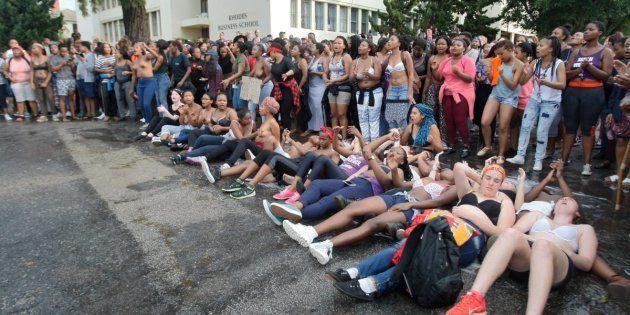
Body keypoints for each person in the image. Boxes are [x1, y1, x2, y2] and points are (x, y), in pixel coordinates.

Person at [327, 162, 515, 300]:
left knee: (423, 252)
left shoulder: (504, 202)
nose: (490, 183)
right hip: (445, 224)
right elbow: (459, 166)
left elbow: (501, 234)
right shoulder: (470, 192)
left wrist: (474, 215)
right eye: (488, 178)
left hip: (472, 236)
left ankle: (374, 284)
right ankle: (355, 271)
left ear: (502, 184)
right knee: (405, 244)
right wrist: (482, 177)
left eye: (496, 181)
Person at [447, 171, 597, 315]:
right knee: (510, 233)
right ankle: (474, 299)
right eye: (561, 199)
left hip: (558, 264)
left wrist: (563, 249)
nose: (564, 199)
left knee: (542, 246)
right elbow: (516, 231)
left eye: (570, 200)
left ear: (577, 213)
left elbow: (586, 263)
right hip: (528, 260)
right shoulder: (537, 215)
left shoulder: (583, 229)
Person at [562, 21, 614, 176]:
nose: (586, 32)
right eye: (585, 29)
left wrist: (589, 67)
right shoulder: (576, 52)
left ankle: (586, 164)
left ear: (600, 33)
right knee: (570, 127)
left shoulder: (605, 52)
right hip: (573, 91)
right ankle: (563, 160)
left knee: (588, 128)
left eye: (591, 29)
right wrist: (579, 69)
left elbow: (606, 76)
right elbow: (566, 72)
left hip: (593, 93)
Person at [507, 37, 566, 171]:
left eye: (541, 45)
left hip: (550, 102)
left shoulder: (559, 64)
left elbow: (562, 84)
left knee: (542, 130)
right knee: (526, 126)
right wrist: (524, 72)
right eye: (538, 45)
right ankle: (520, 155)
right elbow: (522, 82)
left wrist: (547, 83)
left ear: (550, 49)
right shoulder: (535, 62)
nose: (538, 48)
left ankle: (538, 159)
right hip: (534, 99)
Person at [478, 40, 524, 164]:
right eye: (497, 54)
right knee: (484, 122)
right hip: (495, 94)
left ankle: (501, 154)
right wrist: (489, 75)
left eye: (501, 53)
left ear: (511, 50)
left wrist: (502, 74)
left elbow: (513, 86)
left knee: (503, 127)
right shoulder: (497, 61)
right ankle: (488, 146)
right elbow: (493, 80)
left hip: (509, 97)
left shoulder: (519, 65)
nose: (499, 56)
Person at [433, 38, 476, 158]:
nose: (454, 47)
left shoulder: (468, 61)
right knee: (448, 120)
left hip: (462, 93)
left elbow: (470, 79)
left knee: (460, 120)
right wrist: (435, 69)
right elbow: (439, 77)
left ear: (464, 48)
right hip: (447, 93)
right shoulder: (447, 61)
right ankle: (451, 145)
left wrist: (459, 73)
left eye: (458, 45)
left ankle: (466, 146)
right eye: (453, 45)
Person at [350, 40, 383, 142]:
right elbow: (350, 80)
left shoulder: (374, 60)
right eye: (359, 45)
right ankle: (365, 142)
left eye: (363, 45)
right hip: (360, 93)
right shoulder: (355, 62)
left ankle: (374, 143)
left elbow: (378, 77)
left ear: (369, 49)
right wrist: (354, 74)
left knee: (373, 119)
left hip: (374, 93)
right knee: (362, 118)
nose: (360, 47)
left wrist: (369, 75)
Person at [509, 42, 536, 156]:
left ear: (525, 54)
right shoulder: (513, 64)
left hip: (526, 98)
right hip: (513, 97)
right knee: (513, 124)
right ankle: (513, 147)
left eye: (516, 52)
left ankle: (522, 149)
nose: (514, 55)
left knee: (525, 126)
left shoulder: (530, 66)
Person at [423, 36, 451, 146]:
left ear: (448, 46)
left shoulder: (450, 58)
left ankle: (443, 140)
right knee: (430, 114)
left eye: (443, 44)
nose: (440, 46)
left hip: (445, 89)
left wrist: (435, 69)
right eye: (438, 44)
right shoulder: (432, 58)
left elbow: (441, 77)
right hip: (432, 88)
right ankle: (430, 138)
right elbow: (429, 77)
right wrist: (424, 92)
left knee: (443, 115)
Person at [324, 36, 353, 138]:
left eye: (339, 43)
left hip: (344, 87)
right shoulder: (331, 57)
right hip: (332, 87)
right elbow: (326, 72)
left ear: (344, 46)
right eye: (335, 43)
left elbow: (349, 75)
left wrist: (334, 81)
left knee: (341, 114)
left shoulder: (346, 57)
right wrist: (325, 79)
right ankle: (334, 138)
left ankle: (344, 138)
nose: (336, 45)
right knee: (333, 114)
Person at [3, 46, 42, 122]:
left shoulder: (27, 59)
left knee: (31, 99)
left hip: (28, 82)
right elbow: (5, 71)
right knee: (19, 100)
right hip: (16, 83)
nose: (16, 52)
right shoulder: (10, 60)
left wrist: (32, 80)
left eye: (18, 50)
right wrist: (10, 78)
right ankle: (21, 116)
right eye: (14, 51)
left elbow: (32, 69)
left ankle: (36, 114)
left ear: (21, 51)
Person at [385, 35, 416, 130]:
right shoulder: (389, 56)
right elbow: (389, 75)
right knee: (391, 117)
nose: (389, 42)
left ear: (399, 43)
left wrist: (410, 92)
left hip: (404, 88)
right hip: (392, 89)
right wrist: (388, 89)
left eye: (392, 40)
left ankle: (403, 142)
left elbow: (411, 75)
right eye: (388, 40)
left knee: (402, 118)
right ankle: (394, 141)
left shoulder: (405, 54)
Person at [268, 42, 299, 130]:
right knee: (273, 109)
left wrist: (286, 74)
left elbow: (294, 69)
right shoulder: (274, 61)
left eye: (269, 52)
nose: (269, 55)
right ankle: (274, 130)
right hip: (277, 87)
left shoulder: (286, 60)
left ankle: (286, 135)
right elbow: (272, 74)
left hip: (287, 89)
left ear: (274, 51)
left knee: (285, 112)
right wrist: (263, 82)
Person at [131, 42, 157, 124]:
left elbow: (156, 56)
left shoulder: (146, 57)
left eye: (136, 47)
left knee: (146, 104)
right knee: (141, 104)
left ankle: (149, 122)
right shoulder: (135, 61)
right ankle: (147, 121)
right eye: (134, 48)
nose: (134, 49)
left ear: (141, 49)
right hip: (140, 83)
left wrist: (146, 47)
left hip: (149, 81)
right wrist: (132, 89)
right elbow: (134, 76)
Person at [50, 45, 78, 121]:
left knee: (71, 98)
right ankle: (64, 117)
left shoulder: (70, 57)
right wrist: (62, 64)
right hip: (61, 79)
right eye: (62, 51)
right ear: (59, 50)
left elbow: (74, 71)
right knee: (62, 99)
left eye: (65, 51)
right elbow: (52, 69)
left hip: (71, 79)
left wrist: (72, 65)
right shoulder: (54, 58)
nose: (64, 53)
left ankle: (73, 115)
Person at [30, 43, 57, 121]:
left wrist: (46, 82)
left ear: (40, 49)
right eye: (32, 48)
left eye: (34, 48)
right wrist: (31, 82)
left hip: (46, 80)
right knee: (40, 98)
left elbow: (50, 71)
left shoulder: (47, 58)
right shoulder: (32, 59)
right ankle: (43, 114)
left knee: (50, 97)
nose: (33, 50)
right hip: (36, 80)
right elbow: (31, 71)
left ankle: (54, 113)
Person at [247, 43, 273, 122]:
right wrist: (245, 79)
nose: (252, 51)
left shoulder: (265, 62)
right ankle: (251, 126)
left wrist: (262, 83)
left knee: (263, 108)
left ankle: (264, 129)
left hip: (265, 86)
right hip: (255, 85)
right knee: (251, 108)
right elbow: (253, 73)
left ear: (260, 52)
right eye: (252, 49)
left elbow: (270, 75)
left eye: (255, 50)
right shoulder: (255, 61)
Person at [221, 41, 249, 110]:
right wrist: (229, 51)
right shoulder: (239, 57)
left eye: (233, 45)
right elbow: (234, 62)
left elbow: (240, 72)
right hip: (238, 83)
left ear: (238, 49)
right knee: (236, 105)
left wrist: (228, 79)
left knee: (241, 106)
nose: (232, 47)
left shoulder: (242, 58)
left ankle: (243, 120)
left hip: (243, 83)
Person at [95, 43, 118, 121]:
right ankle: (107, 114)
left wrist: (112, 68)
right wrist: (105, 71)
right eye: (105, 47)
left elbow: (117, 67)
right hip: (104, 80)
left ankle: (115, 114)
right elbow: (96, 68)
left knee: (114, 97)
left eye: (109, 47)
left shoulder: (114, 57)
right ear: (102, 49)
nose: (108, 49)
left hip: (113, 79)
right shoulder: (100, 58)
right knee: (105, 97)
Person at [307, 43, 326, 132]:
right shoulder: (313, 59)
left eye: (313, 47)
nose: (311, 49)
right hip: (311, 85)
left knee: (318, 107)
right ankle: (312, 127)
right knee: (312, 106)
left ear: (318, 50)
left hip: (319, 86)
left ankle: (321, 128)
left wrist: (314, 73)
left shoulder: (322, 59)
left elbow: (325, 72)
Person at [291, 44, 310, 134]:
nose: (291, 50)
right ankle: (297, 127)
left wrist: (299, 87)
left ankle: (305, 129)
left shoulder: (302, 61)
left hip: (301, 87)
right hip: (294, 87)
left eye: (294, 49)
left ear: (299, 52)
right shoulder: (293, 61)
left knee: (302, 108)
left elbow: (305, 75)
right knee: (295, 108)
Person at [76, 41, 97, 120]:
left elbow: (91, 68)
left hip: (88, 79)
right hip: (80, 79)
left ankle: (93, 112)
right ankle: (88, 112)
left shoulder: (90, 55)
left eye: (80, 46)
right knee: (85, 96)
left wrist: (83, 60)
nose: (79, 48)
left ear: (85, 46)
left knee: (90, 96)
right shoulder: (82, 55)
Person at [113, 49, 135, 120]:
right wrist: (110, 74)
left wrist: (128, 72)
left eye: (117, 53)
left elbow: (134, 72)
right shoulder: (115, 62)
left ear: (122, 54)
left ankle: (133, 115)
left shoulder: (127, 61)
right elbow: (114, 73)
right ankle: (122, 115)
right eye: (115, 53)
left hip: (127, 82)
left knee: (129, 99)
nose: (115, 54)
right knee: (119, 99)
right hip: (118, 83)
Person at [411, 38, 429, 103]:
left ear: (423, 50)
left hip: (422, 86)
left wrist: (417, 78)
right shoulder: (408, 57)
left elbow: (429, 75)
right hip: (409, 86)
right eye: (415, 49)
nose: (416, 52)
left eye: (419, 50)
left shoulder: (426, 58)